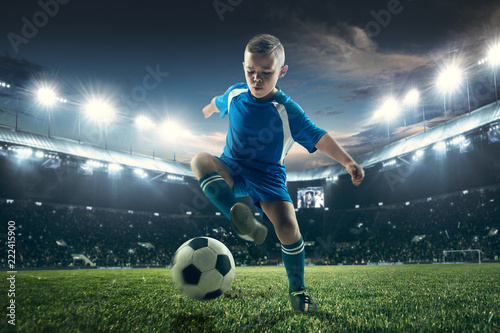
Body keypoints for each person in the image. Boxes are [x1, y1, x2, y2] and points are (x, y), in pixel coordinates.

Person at [190, 34, 364, 313]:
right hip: (232, 166)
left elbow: (317, 135)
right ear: (244, 67)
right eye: (250, 71)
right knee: (200, 160)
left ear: (282, 72)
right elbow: (217, 101)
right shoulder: (235, 94)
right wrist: (208, 110)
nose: (256, 79)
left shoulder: (287, 109)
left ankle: (298, 291)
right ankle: (239, 215)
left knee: (287, 228)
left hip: (268, 176)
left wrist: (347, 161)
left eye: (266, 73)